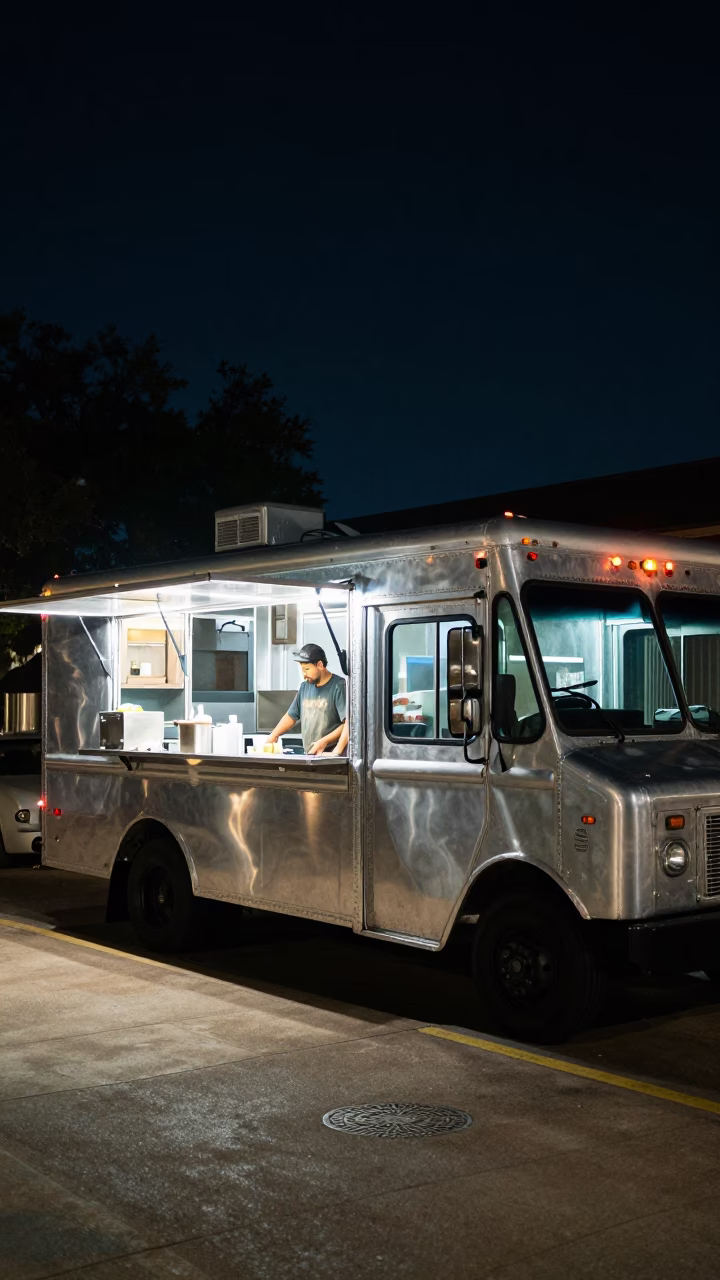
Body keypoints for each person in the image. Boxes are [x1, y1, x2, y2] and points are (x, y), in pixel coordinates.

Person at [266, 643, 347, 756]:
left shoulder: (338, 686)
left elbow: (349, 723)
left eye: (307, 669)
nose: (304, 674)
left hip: (330, 755)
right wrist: (273, 735)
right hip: (311, 754)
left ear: (320, 665)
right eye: (302, 669)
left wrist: (330, 746)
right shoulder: (305, 687)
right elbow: (291, 716)